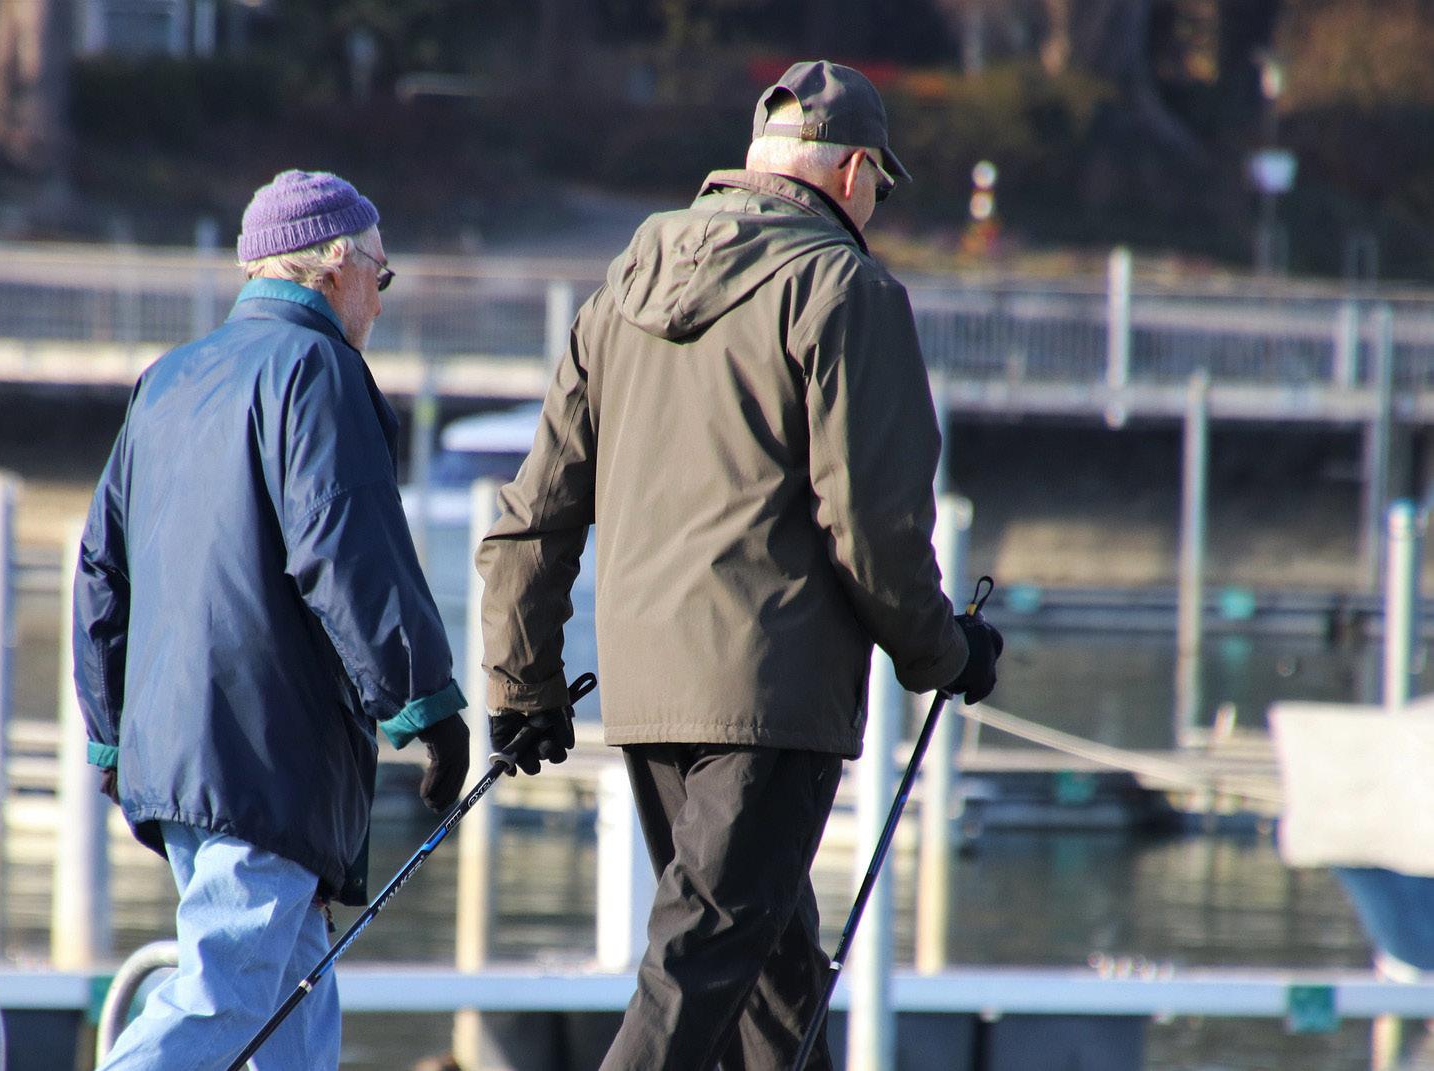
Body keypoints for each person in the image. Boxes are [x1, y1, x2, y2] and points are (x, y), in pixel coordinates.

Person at [475, 61, 1004, 1070]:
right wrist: (947, 653)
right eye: (879, 184)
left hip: (650, 694)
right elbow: (876, 528)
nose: (876, 205)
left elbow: (534, 514)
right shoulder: (846, 289)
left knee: (771, 987)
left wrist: (522, 684)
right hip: (769, 697)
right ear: (851, 172)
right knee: (698, 968)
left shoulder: (626, 281)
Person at [74, 168, 470, 1071]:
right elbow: (346, 547)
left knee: (292, 1000)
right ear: (334, 266)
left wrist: (111, 734)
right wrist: (427, 706)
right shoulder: (317, 369)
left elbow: (101, 571)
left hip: (177, 752)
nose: (381, 298)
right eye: (380, 273)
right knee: (226, 991)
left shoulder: (167, 379)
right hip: (263, 755)